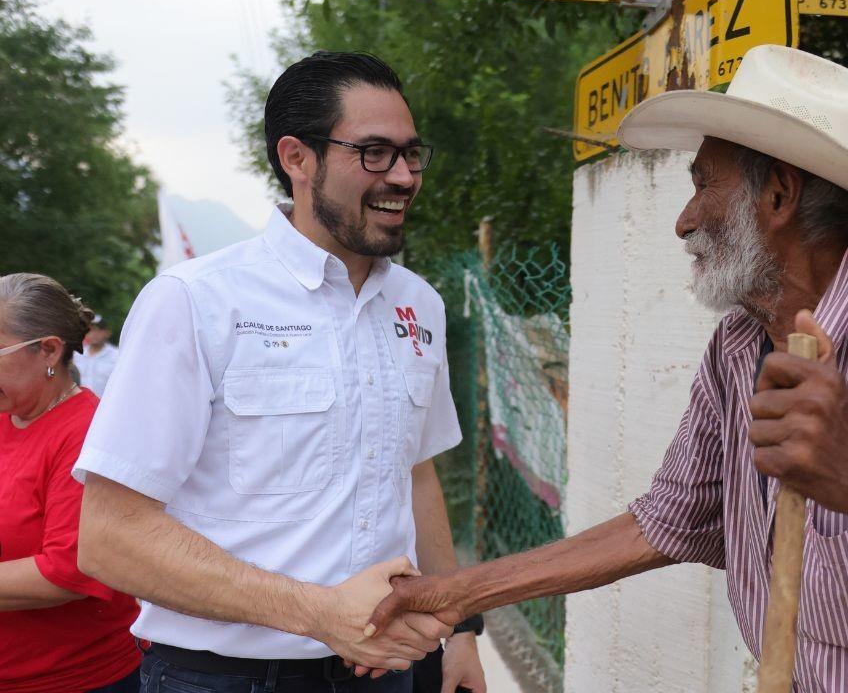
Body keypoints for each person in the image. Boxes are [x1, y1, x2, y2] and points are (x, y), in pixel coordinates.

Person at [365, 46, 848, 690]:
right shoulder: (739, 344)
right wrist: (456, 592)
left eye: (702, 183)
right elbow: (663, 522)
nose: (683, 219)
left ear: (781, 196)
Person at [74, 52, 486, 692]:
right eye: (374, 152)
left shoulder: (418, 304)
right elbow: (109, 537)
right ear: (297, 158)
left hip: (385, 674)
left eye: (411, 153)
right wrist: (320, 615)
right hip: (223, 680)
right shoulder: (195, 300)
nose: (403, 176)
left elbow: (417, 471)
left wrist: (459, 632)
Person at [0, 273, 141, 693]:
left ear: (48, 350)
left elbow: (67, 570)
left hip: (70, 679)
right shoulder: (7, 413)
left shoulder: (87, 432)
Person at [75, 314, 120, 396]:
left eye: (98, 330)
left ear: (107, 333)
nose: (94, 334)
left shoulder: (117, 356)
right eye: (90, 330)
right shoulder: (77, 355)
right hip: (81, 404)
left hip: (105, 404)